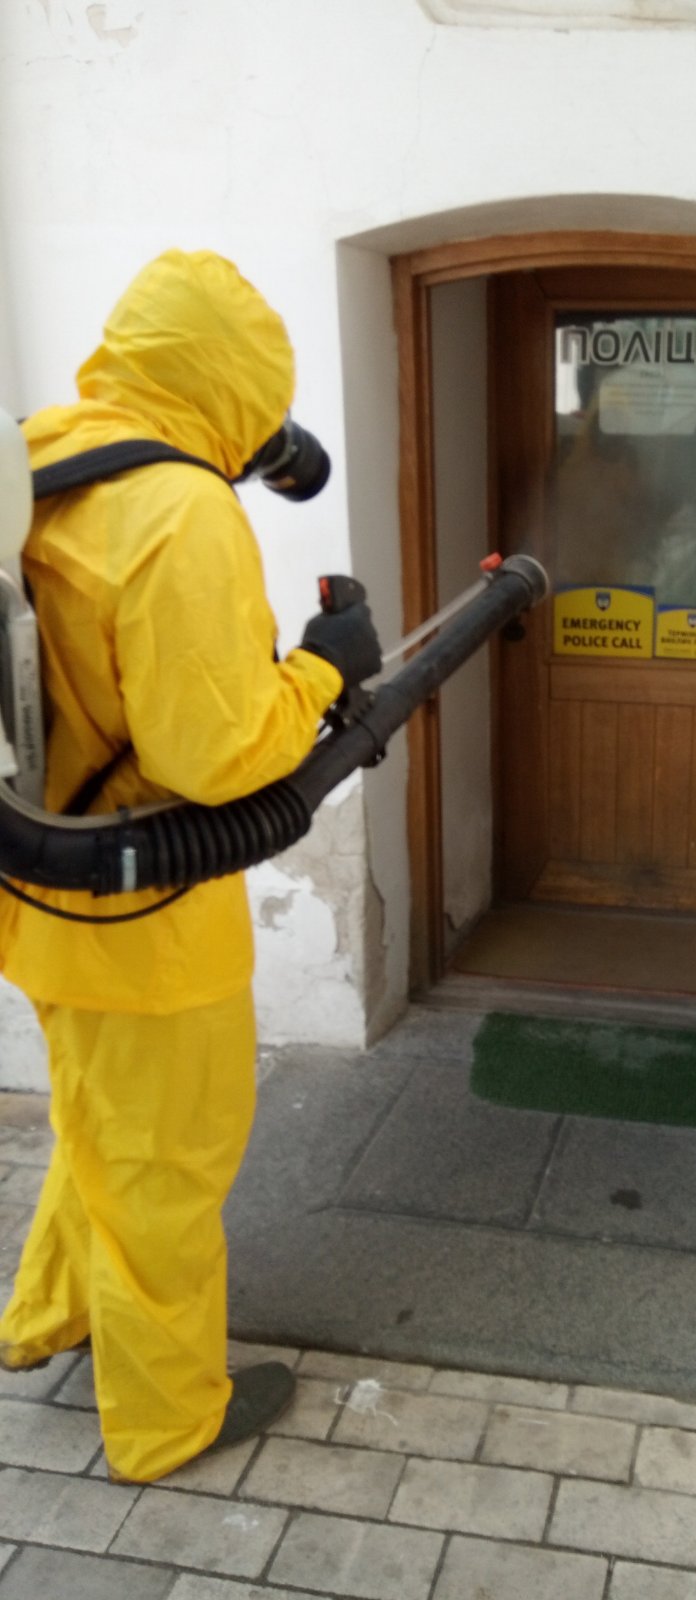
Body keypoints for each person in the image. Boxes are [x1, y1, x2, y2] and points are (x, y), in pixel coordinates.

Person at [0, 249, 382, 1482]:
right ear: (235, 388)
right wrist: (324, 664)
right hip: (148, 921)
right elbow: (218, 752)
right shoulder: (179, 511)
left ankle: (45, 1314)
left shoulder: (40, 460)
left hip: (43, 896)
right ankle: (166, 1419)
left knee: (97, 1125)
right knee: (165, 1166)